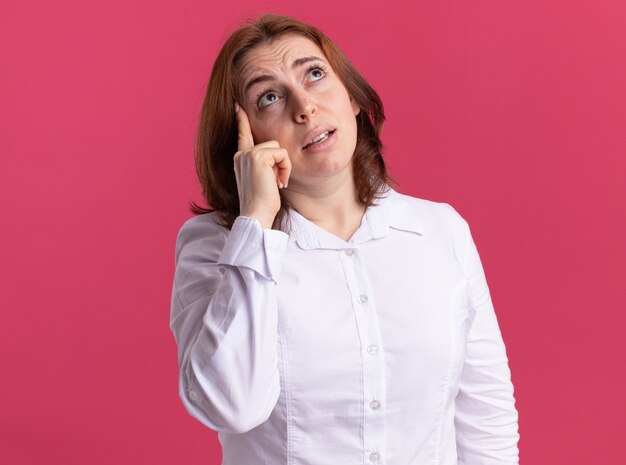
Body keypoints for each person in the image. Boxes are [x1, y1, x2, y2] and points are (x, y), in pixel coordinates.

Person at [169, 13, 520, 465]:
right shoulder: (215, 246)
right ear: (244, 138)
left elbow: (486, 421)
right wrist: (255, 221)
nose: (304, 107)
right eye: (269, 97)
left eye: (315, 74)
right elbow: (231, 406)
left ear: (352, 95)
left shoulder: (441, 232)